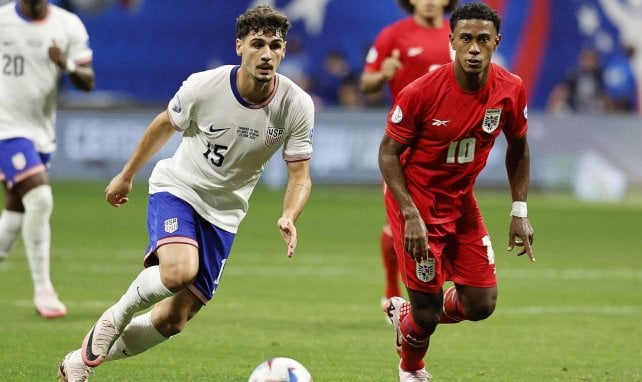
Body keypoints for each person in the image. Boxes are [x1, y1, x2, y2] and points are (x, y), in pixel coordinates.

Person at [56, 5, 314, 381]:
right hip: (179, 189)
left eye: (275, 45)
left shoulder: (297, 104)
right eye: (257, 44)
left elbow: (300, 176)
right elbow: (165, 124)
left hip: (225, 214)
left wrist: (290, 214)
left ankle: (77, 362)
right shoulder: (204, 86)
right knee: (178, 271)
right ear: (239, 46)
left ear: (284, 51)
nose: (267, 54)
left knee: (173, 320)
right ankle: (119, 313)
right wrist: (127, 175)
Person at [377, 3, 534, 381]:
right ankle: (411, 369)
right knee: (427, 313)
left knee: (481, 304)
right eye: (466, 39)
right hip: (416, 204)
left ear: (497, 41)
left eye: (483, 39)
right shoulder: (423, 92)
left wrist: (519, 210)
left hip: (461, 202)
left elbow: (519, 146)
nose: (475, 48)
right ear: (452, 41)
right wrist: (410, 214)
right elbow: (388, 153)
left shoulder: (510, 89)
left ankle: (406, 317)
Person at [0, 0, 95, 319]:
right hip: (5, 128)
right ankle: (44, 290)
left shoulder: (67, 25)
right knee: (40, 197)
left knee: (16, 209)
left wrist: (65, 63)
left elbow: (88, 81)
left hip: (41, 131)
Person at [360, 0, 458, 305]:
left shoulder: (460, 35)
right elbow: (366, 82)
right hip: (405, 142)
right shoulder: (393, 35)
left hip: (450, 143)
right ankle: (392, 292)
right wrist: (382, 74)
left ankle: (456, 282)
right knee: (399, 219)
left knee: (450, 217)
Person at [546, 47, 608, 114]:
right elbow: (561, 92)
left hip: (596, 112)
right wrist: (549, 109)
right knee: (559, 108)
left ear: (597, 60)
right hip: (575, 112)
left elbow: (607, 97)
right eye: (586, 58)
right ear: (580, 59)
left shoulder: (603, 76)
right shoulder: (574, 75)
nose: (588, 62)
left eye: (591, 58)